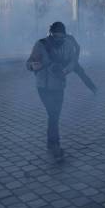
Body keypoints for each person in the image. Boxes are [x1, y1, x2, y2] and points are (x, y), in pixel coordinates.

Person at [26, 22, 77, 161]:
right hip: (43, 86)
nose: (59, 40)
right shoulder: (41, 45)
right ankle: (56, 145)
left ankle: (50, 142)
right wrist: (34, 65)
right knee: (53, 114)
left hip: (59, 86)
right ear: (51, 35)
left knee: (55, 116)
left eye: (61, 37)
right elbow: (28, 63)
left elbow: (73, 62)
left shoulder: (67, 45)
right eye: (56, 37)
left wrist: (65, 71)